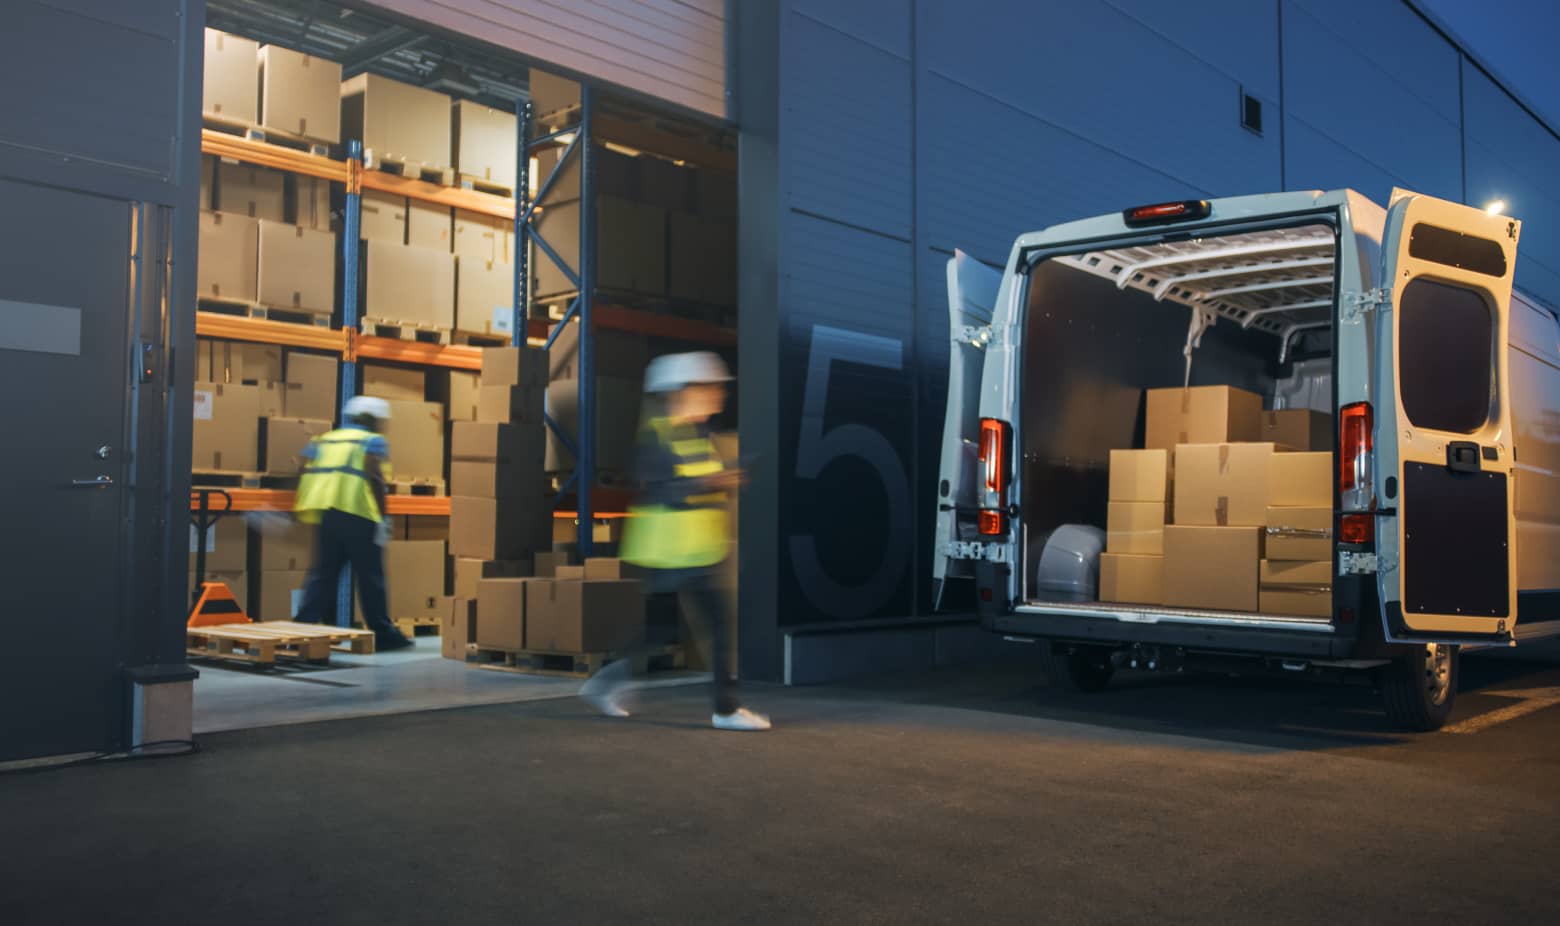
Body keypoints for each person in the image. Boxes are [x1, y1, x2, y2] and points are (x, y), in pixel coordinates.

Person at [579, 352, 770, 731]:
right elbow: (662, 489)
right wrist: (714, 482)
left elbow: (698, 486)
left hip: (699, 550)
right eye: (709, 388)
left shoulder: (699, 436)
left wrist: (724, 481)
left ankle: (610, 683)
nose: (718, 395)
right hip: (671, 552)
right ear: (683, 391)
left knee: (667, 630)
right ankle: (724, 709)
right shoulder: (657, 438)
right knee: (695, 628)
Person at [292, 395, 413, 651]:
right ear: (375, 420)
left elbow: (302, 467)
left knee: (322, 573)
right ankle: (383, 633)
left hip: (327, 513)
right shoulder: (372, 441)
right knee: (370, 576)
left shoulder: (325, 439)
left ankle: (302, 627)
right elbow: (374, 476)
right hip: (359, 514)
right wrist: (383, 517)